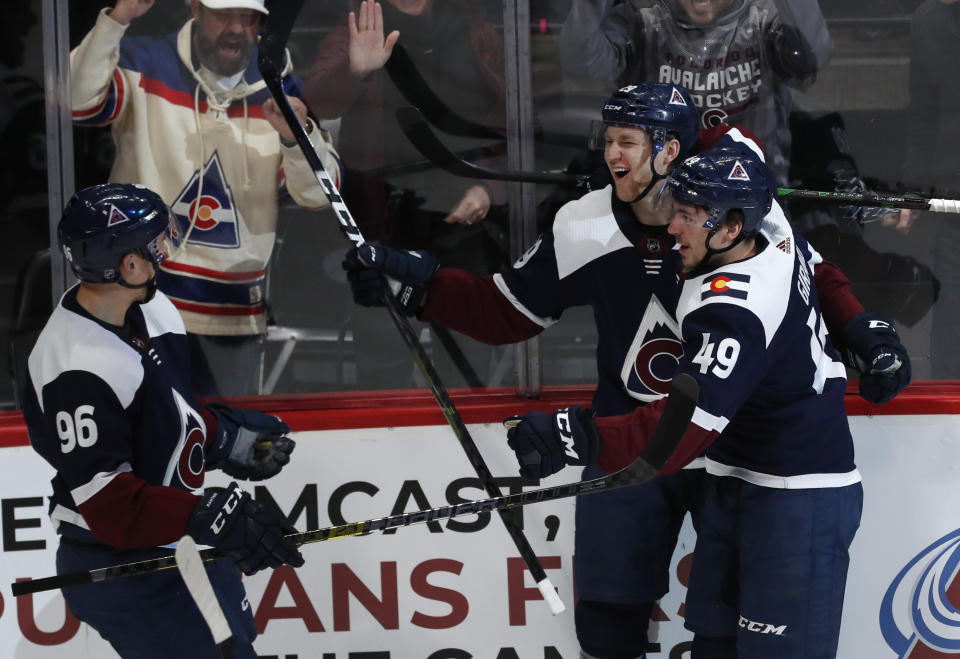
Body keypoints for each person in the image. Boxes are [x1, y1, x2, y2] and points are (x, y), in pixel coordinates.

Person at [342, 83, 910, 658]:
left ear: (670, 150)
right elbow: (503, 310)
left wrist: (862, 327)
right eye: (608, 140)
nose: (612, 154)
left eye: (628, 141)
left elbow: (807, 266)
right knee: (616, 622)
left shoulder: (734, 195)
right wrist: (418, 287)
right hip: (637, 426)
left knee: (741, 640)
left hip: (732, 444)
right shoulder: (585, 225)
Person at [505, 146, 877, 657]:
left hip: (796, 496)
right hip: (735, 481)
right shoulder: (771, 225)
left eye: (687, 217)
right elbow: (738, 150)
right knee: (714, 648)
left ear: (729, 228)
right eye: (675, 210)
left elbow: (678, 431)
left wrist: (573, 435)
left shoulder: (735, 313)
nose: (672, 228)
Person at [21, 184, 305, 659]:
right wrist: (201, 514)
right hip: (120, 565)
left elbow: (168, 414)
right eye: (157, 243)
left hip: (173, 542)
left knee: (236, 649)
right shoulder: (77, 368)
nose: (167, 250)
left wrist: (224, 439)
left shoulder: (151, 307)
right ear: (128, 264)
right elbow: (110, 505)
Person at [69, 0, 341, 396]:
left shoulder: (280, 87)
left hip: (230, 317)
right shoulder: (144, 62)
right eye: (223, 15)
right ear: (195, 9)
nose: (236, 28)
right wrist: (117, 19)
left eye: (247, 18)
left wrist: (294, 137)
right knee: (139, 443)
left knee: (225, 447)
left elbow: (320, 195)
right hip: (140, 305)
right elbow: (78, 101)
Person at [304, 0, 509, 388]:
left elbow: (516, 125)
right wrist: (356, 71)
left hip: (465, 228)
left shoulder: (475, 31)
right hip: (384, 227)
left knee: (467, 374)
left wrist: (490, 186)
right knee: (383, 376)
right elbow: (316, 101)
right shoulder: (362, 24)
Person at [903, 0, 960, 376]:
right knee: (951, 318)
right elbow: (923, 113)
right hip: (955, 205)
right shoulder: (931, 22)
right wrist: (913, 190)